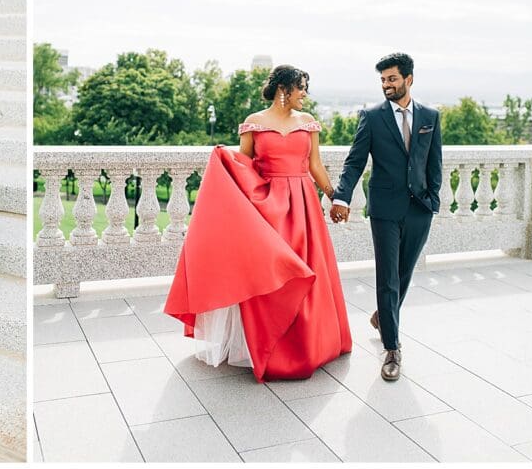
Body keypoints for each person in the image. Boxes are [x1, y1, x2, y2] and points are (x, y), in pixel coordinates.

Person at [165, 65, 352, 382]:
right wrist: (223, 162)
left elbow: (315, 165)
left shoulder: (308, 124)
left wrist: (336, 197)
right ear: (284, 89)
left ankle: (310, 344)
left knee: (306, 269)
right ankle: (264, 346)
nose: (305, 94)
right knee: (270, 273)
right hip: (268, 207)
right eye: (301, 88)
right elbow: (244, 166)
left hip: (304, 205)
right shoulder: (253, 123)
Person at [329, 52, 442, 382]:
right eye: (382, 80)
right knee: (388, 277)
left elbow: (434, 161)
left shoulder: (430, 116)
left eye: (392, 79)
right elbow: (354, 162)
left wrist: (432, 199)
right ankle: (392, 348)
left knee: (405, 272)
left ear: (408, 79)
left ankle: (383, 316)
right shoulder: (372, 116)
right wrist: (342, 196)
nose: (386, 85)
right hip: (384, 210)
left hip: (420, 208)